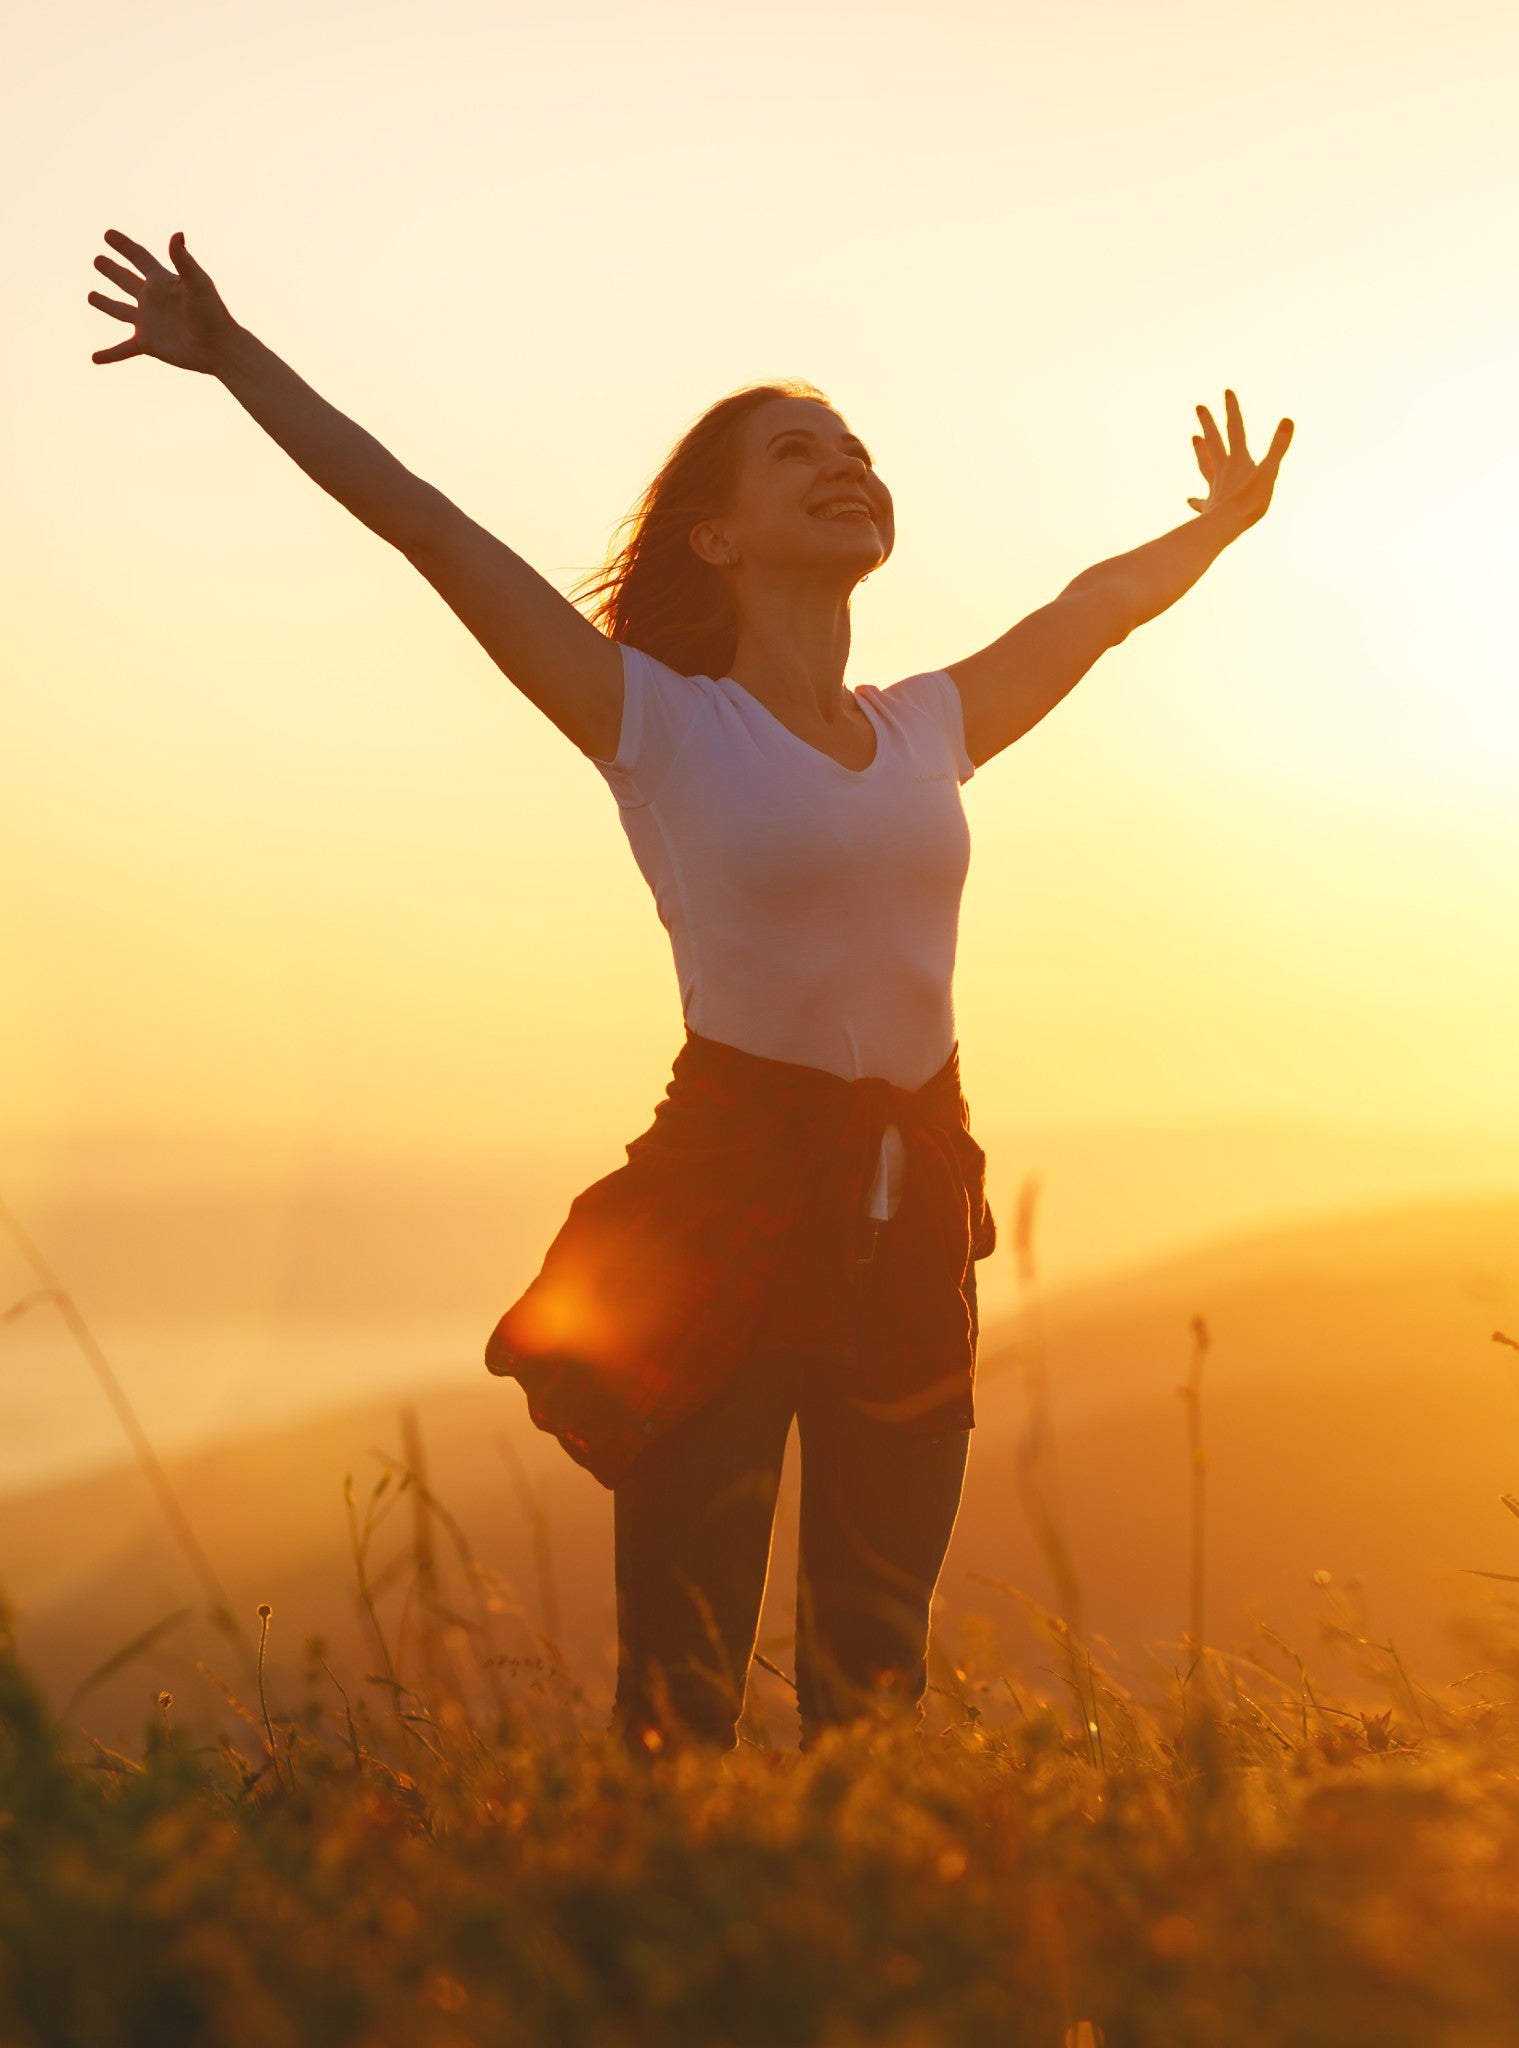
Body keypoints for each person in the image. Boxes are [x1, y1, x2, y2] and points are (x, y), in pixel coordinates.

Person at [87, 227, 1292, 1750]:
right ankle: (667, 1894)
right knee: (683, 1675)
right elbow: (426, 526)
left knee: (876, 1670)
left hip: (914, 1209)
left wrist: (1218, 530)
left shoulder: (929, 727)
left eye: (855, 451)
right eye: (798, 453)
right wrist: (236, 360)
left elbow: (1091, 610)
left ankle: (854, 1892)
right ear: (715, 539)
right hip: (728, 1194)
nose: (846, 466)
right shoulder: (652, 720)